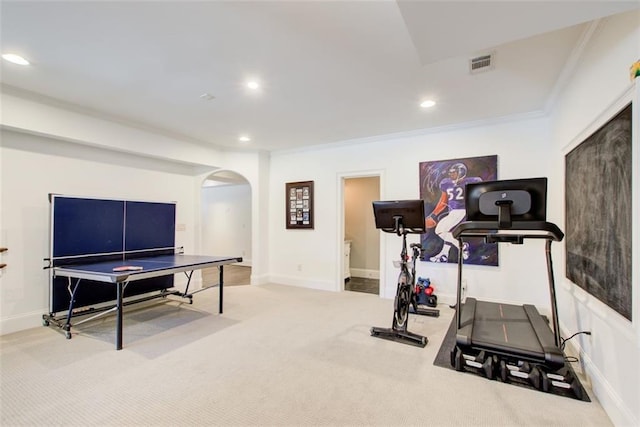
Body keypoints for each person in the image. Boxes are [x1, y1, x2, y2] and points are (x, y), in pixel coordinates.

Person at [426, 162, 482, 262]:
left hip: (462, 211)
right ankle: (444, 254)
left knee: (439, 230)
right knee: (447, 232)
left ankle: (462, 245)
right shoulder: (446, 183)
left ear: (461, 172)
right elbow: (443, 202)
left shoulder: (471, 182)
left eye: (454, 172)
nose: (451, 175)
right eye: (450, 172)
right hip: (452, 212)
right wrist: (433, 215)